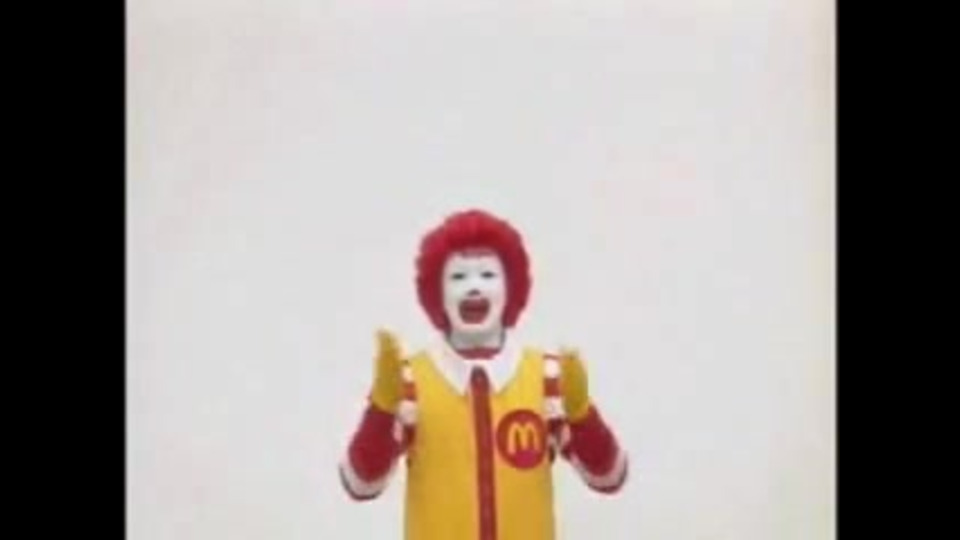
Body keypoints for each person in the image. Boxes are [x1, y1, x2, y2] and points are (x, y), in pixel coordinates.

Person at [338, 208, 629, 540]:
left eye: (488, 275)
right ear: (437, 292)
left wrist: (582, 416)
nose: (473, 287)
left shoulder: (547, 378)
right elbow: (360, 484)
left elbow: (609, 477)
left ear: (511, 288)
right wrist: (380, 410)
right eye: (458, 277)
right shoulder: (410, 381)